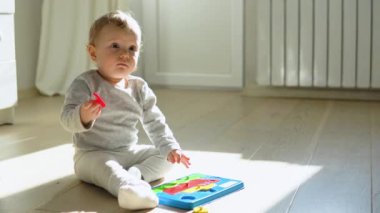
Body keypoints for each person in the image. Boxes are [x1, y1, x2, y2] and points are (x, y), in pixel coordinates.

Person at [60, 10, 191, 210]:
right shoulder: (85, 83)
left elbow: (155, 121)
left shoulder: (138, 87)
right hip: (92, 154)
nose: (124, 54)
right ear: (93, 52)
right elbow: (66, 118)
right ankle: (129, 190)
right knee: (107, 168)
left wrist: (170, 147)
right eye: (115, 46)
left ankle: (135, 175)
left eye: (132, 48)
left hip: (128, 151)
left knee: (166, 157)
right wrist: (83, 115)